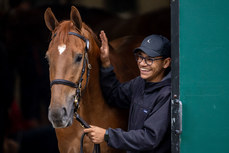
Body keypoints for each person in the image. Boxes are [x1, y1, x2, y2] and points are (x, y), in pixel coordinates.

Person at [84, 31, 171, 153]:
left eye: (149, 59)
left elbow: (150, 139)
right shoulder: (139, 83)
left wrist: (107, 135)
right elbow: (114, 95)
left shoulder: (167, 94)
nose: (142, 63)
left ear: (166, 63)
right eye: (140, 57)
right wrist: (106, 63)